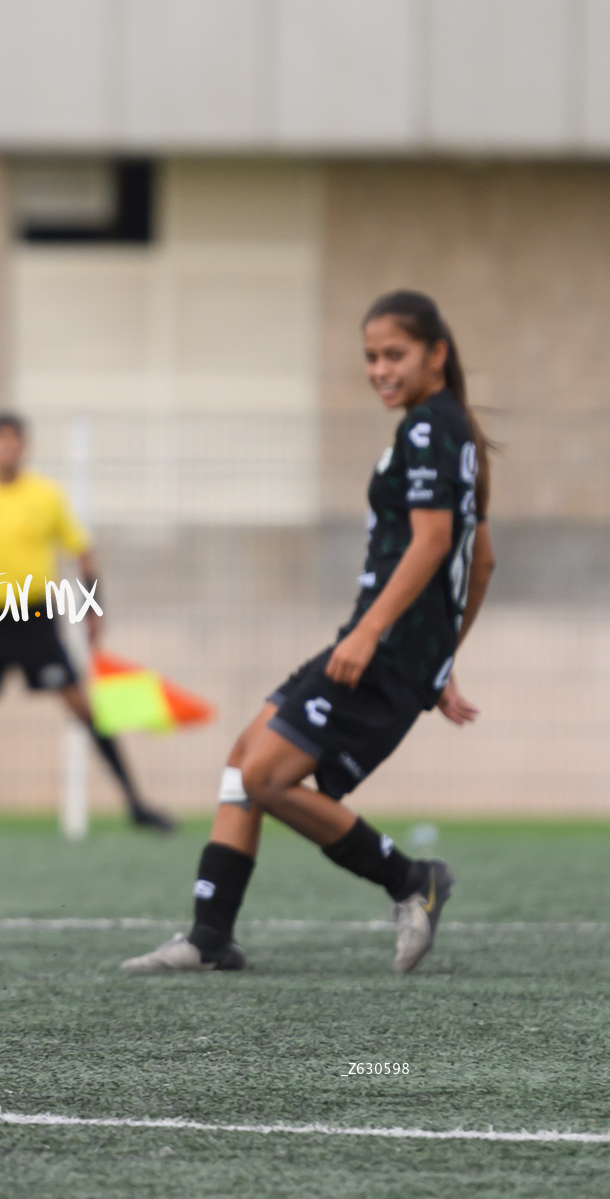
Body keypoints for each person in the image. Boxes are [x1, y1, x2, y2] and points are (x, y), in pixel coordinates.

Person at [123, 290, 496, 975]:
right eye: (370, 356)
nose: (380, 368)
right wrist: (439, 661)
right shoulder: (452, 431)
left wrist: (380, 635)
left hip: (377, 648)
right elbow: (483, 561)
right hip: (384, 644)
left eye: (395, 354)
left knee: (266, 775)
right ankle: (211, 937)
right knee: (245, 757)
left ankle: (413, 880)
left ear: (436, 353)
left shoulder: (426, 431)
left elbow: (437, 541)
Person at [0, 413, 174, 833]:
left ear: (25, 447)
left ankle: (136, 805)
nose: (7, 449)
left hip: (37, 618)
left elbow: (83, 553)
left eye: (14, 442)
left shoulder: (47, 496)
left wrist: (95, 610)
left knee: (83, 708)